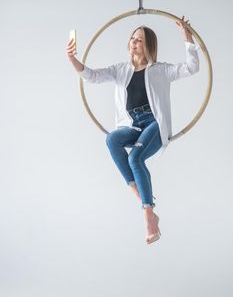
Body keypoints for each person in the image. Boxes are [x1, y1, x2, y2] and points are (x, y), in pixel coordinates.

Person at [66, 16, 199, 245]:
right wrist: (72, 58)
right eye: (132, 38)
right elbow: (91, 76)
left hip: (155, 124)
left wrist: (187, 37)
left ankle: (148, 214)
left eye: (139, 40)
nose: (134, 42)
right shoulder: (121, 70)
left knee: (135, 157)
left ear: (148, 46)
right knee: (112, 139)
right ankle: (142, 198)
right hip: (134, 125)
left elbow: (192, 67)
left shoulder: (160, 70)